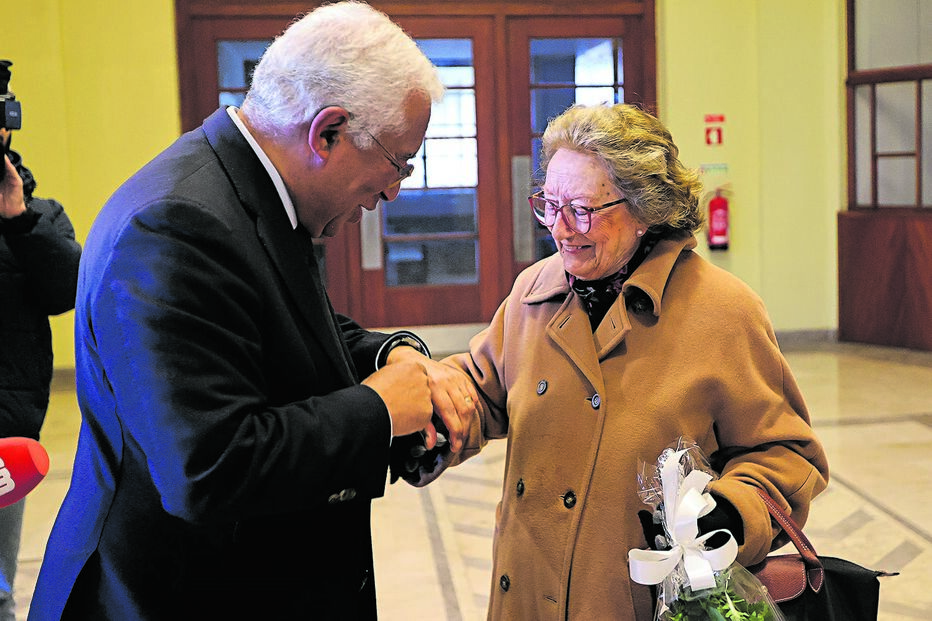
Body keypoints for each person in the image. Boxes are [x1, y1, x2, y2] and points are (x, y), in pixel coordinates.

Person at [28, 3, 478, 620]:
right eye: (398, 162)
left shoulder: (253, 191)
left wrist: (392, 357)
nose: (394, 191)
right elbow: (211, 466)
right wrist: (378, 410)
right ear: (328, 132)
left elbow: (289, 328)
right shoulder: (176, 226)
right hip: (176, 594)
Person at [400, 103, 830, 619]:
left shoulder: (723, 311)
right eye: (548, 204)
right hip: (529, 589)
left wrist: (732, 512)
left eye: (581, 209)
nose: (559, 229)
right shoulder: (534, 291)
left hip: (638, 600)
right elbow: (480, 386)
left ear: (646, 206)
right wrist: (424, 412)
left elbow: (786, 454)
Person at [0, 124, 81, 621]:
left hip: (5, 430)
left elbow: (68, 289)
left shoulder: (38, 213)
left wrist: (18, 220)